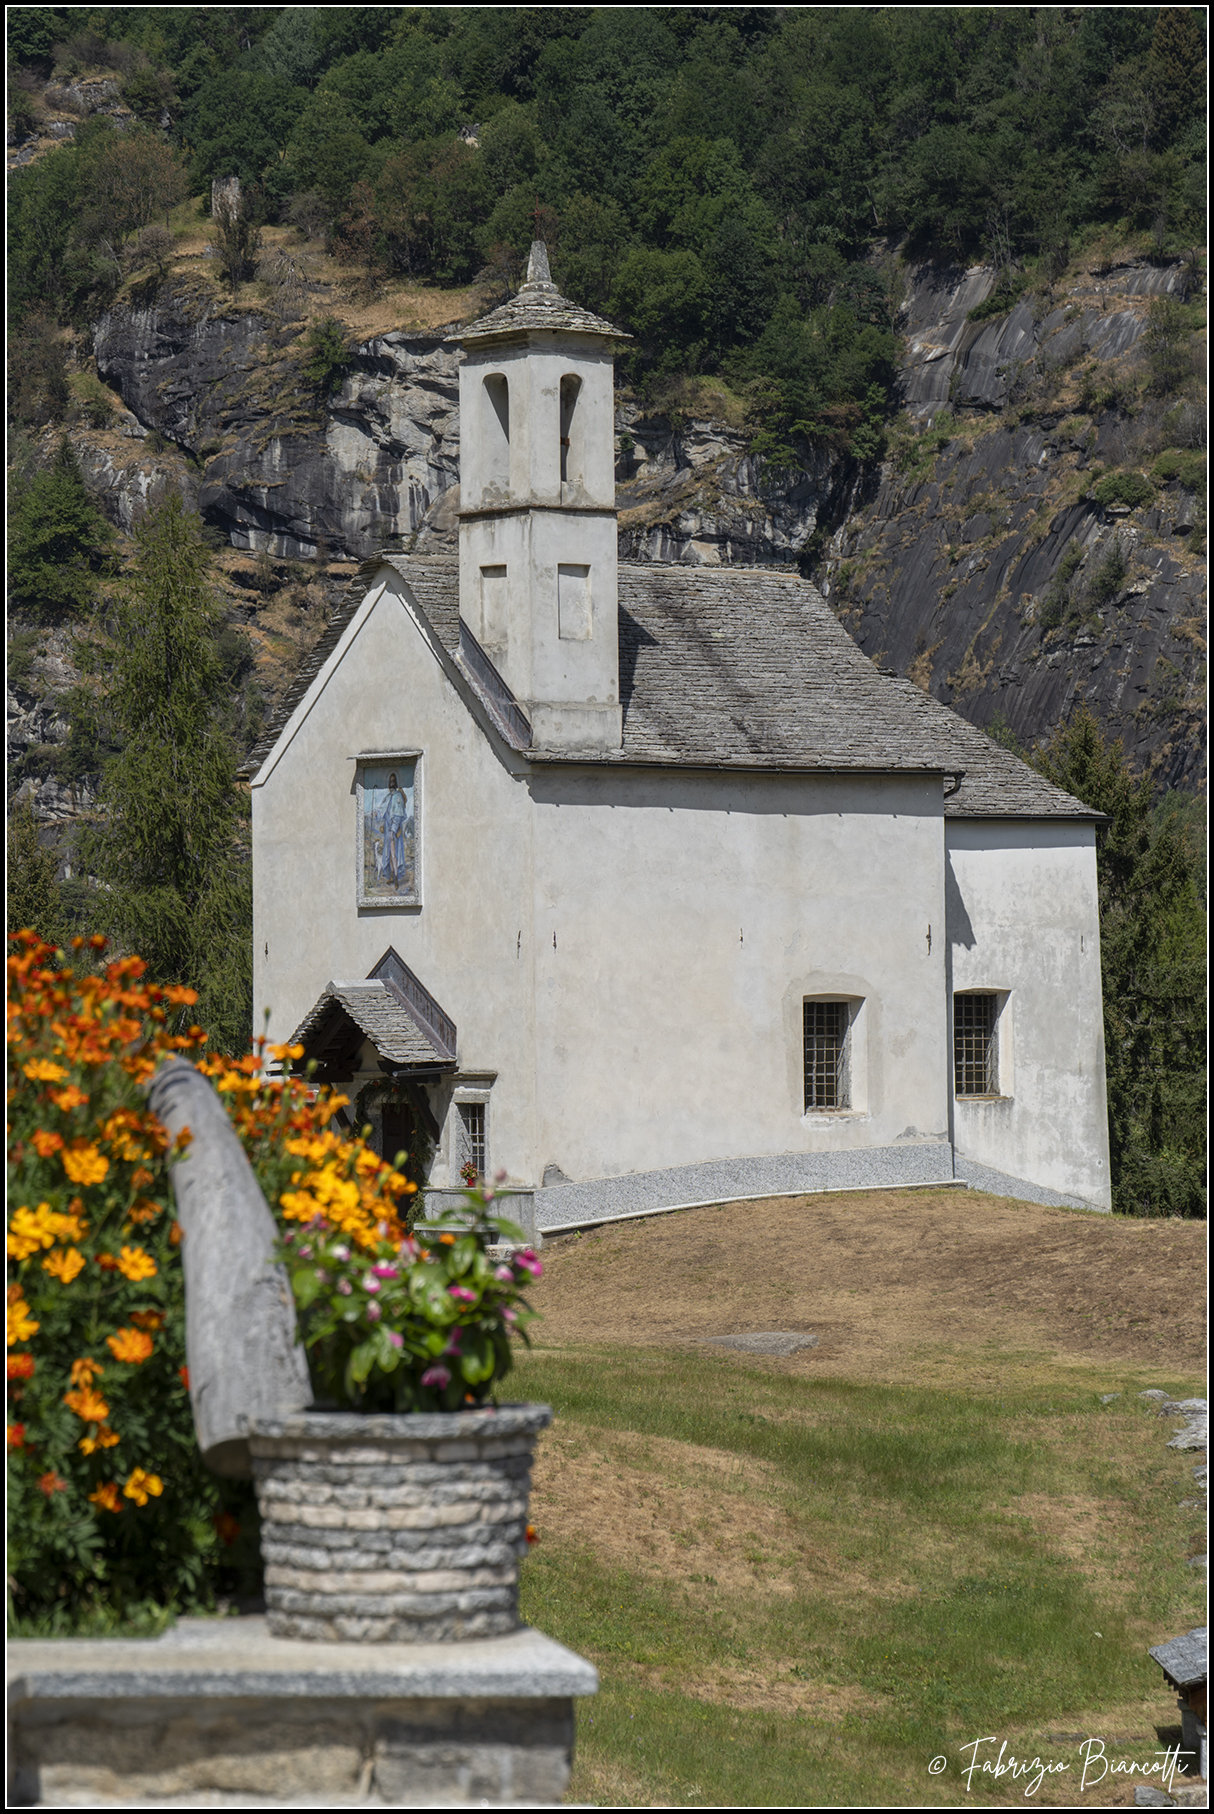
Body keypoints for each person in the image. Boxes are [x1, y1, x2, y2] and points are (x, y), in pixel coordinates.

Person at [382, 771, 410, 887]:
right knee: (388, 853)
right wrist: (375, 813)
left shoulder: (398, 796)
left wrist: (393, 830)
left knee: (394, 854)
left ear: (396, 782)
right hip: (388, 829)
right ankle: (392, 875)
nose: (392, 783)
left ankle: (397, 879)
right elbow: (382, 809)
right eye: (390, 781)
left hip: (394, 830)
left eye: (393, 781)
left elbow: (398, 815)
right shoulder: (388, 797)